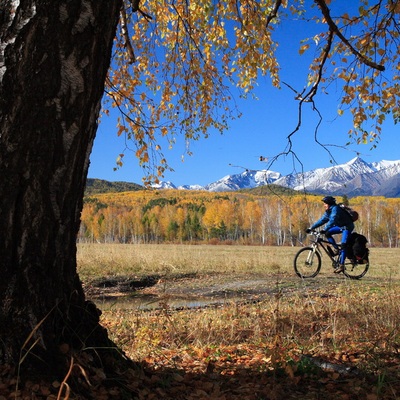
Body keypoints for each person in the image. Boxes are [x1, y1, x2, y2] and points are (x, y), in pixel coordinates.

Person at [306, 196, 354, 273]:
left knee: (343, 245)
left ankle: (341, 265)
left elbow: (332, 220)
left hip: (347, 227)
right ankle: (336, 249)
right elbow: (322, 220)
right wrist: (311, 228)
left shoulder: (335, 209)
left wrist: (324, 229)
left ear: (329, 204)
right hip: (340, 226)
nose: (324, 205)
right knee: (328, 233)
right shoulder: (328, 211)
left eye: (325, 204)